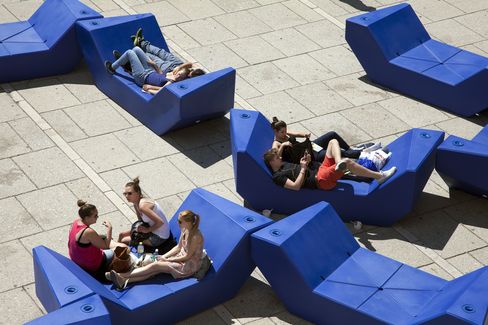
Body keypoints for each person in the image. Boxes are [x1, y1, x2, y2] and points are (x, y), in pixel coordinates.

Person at [108, 210, 204, 290]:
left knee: (156, 265)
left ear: (188, 222)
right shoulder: (185, 229)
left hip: (188, 265)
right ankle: (122, 280)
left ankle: (121, 275)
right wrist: (164, 256)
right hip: (180, 257)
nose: (178, 223)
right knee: (155, 266)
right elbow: (178, 247)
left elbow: (187, 256)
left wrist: (169, 259)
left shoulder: (195, 237)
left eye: (180, 221)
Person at [264, 139, 397, 191]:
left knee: (332, 142)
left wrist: (307, 161)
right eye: (277, 157)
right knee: (348, 162)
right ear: (272, 162)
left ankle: (339, 162)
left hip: (320, 169)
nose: (280, 157)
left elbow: (276, 146)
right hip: (320, 180)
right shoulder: (278, 176)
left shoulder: (282, 164)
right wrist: (303, 168)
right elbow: (295, 186)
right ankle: (379, 176)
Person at [105, 29, 205, 95]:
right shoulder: (176, 75)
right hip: (150, 71)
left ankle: (112, 68)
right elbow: (161, 74)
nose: (178, 74)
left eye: (181, 75)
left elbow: (162, 91)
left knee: (130, 53)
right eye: (181, 73)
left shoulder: (173, 82)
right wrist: (155, 66)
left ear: (185, 78)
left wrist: (149, 88)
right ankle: (127, 60)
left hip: (142, 77)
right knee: (136, 49)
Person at [271, 117, 375, 163]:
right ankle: (366, 153)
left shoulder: (285, 134)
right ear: (275, 132)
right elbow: (276, 157)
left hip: (310, 146)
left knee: (332, 134)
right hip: (310, 156)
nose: (285, 133)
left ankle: (351, 149)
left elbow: (297, 134)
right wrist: (284, 146)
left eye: (285, 130)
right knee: (339, 152)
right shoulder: (276, 143)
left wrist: (304, 134)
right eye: (282, 132)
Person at [68, 200, 125, 278]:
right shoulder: (88, 232)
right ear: (87, 218)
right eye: (95, 216)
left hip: (77, 260)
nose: (97, 217)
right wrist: (109, 228)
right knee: (123, 249)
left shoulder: (75, 223)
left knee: (109, 240)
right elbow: (105, 246)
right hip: (92, 264)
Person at [118, 177, 171, 248]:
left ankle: (116, 252)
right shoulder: (135, 203)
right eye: (125, 194)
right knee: (121, 234)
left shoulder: (143, 206)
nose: (127, 196)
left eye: (130, 193)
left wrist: (147, 230)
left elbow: (160, 222)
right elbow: (141, 221)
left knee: (123, 240)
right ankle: (115, 249)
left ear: (138, 193)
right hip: (151, 229)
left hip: (160, 236)